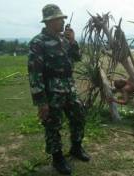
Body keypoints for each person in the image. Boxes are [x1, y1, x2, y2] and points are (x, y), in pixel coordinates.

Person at [28, 4, 90, 175]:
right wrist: (41, 102)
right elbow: (34, 74)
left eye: (63, 19)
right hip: (51, 91)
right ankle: (57, 158)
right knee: (53, 125)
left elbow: (77, 57)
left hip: (69, 88)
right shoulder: (38, 42)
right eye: (59, 19)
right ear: (50, 21)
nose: (63, 22)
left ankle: (76, 148)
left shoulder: (64, 39)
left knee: (79, 116)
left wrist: (73, 41)